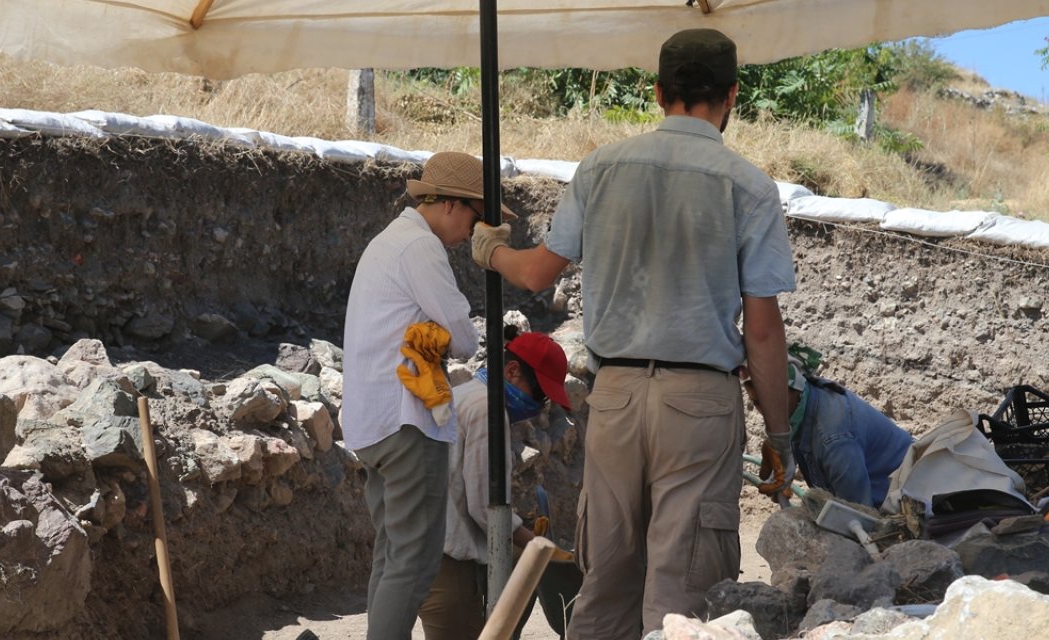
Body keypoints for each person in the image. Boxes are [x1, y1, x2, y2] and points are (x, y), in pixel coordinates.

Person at [470, 28, 797, 639]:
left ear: (657, 92)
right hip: (699, 406)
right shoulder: (749, 185)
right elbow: (763, 330)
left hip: (615, 394)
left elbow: (539, 270)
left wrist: (490, 251)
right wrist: (778, 432)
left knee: (607, 583)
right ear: (732, 96)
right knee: (681, 594)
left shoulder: (599, 168)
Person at [342, 151, 514, 640]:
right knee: (415, 565)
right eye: (478, 219)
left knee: (392, 557)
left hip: (374, 424)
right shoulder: (421, 247)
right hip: (407, 422)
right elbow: (463, 337)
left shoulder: (389, 241)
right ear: (453, 206)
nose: (473, 234)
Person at [418, 329, 573, 639]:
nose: (539, 404)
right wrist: (542, 548)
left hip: (426, 548)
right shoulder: (488, 411)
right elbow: (486, 509)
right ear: (513, 371)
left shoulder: (463, 395)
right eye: (539, 393)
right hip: (449, 566)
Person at [744, 352, 915, 509]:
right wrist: (782, 448)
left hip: (910, 499)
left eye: (768, 400)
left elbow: (860, 517)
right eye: (757, 403)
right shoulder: (802, 402)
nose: (764, 411)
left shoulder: (834, 439)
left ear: (791, 390)